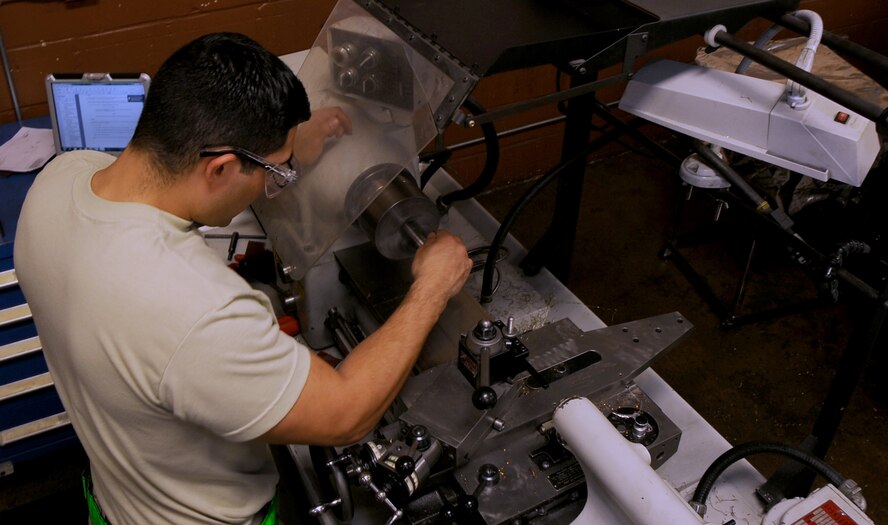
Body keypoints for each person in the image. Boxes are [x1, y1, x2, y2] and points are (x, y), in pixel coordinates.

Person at [14, 32, 471, 524]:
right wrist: (431, 288)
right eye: (275, 171)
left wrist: (284, 151)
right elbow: (346, 413)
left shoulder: (59, 178)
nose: (277, 180)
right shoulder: (199, 309)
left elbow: (169, 197)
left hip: (113, 498)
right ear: (223, 167)